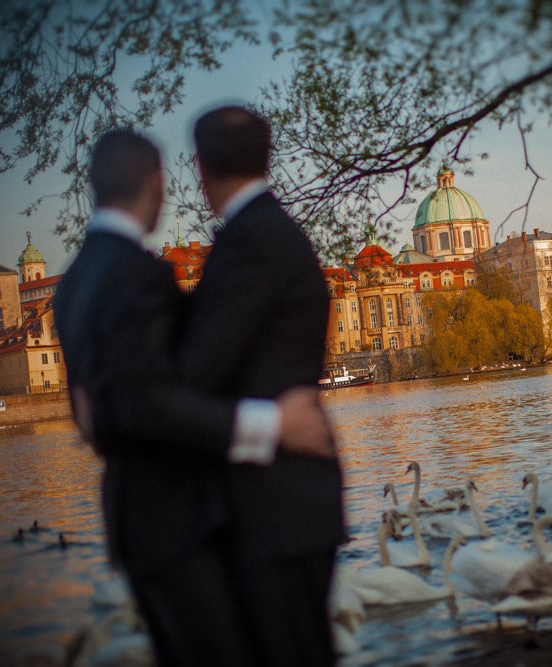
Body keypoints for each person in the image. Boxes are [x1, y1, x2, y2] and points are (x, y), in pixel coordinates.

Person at [53, 129, 335, 666]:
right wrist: (273, 424)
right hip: (174, 517)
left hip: (134, 518)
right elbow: (149, 401)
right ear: (158, 182)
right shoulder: (138, 275)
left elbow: (94, 412)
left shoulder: (74, 282)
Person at [178, 105, 346, 665]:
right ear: (269, 158)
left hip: (275, 506)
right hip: (293, 499)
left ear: (199, 169)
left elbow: (197, 373)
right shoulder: (277, 235)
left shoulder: (248, 244)